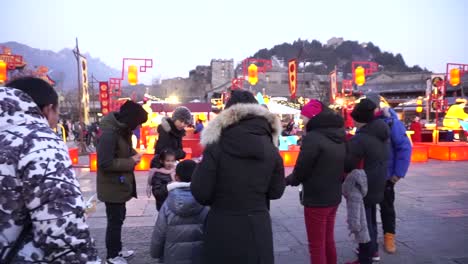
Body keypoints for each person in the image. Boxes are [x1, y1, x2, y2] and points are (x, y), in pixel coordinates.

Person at [0, 77, 99, 263]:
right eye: (57, 113)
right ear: (48, 109)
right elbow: (61, 229)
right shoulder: (38, 140)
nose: (55, 121)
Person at [191, 90, 286, 264]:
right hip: (258, 226)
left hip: (222, 225)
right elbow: (276, 192)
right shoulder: (272, 148)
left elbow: (201, 193)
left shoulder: (215, 146)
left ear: (227, 115)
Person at [285, 99, 346, 264]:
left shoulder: (313, 138)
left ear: (312, 117)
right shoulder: (339, 135)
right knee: (328, 239)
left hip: (317, 198)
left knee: (316, 245)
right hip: (334, 195)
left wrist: (289, 180)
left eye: (304, 116)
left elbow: (302, 168)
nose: (302, 120)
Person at [96, 100, 148, 264]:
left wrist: (134, 153)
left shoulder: (120, 130)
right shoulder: (110, 133)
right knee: (114, 221)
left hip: (118, 185)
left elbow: (122, 150)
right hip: (111, 186)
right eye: (138, 123)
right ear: (130, 120)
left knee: (118, 219)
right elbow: (105, 163)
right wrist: (131, 160)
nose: (138, 127)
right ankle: (112, 256)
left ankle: (117, 250)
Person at [365, 92, 412, 254]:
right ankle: (370, 240)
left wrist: (398, 173)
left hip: (386, 176)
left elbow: (404, 147)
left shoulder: (392, 123)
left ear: (378, 106)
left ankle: (389, 236)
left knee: (387, 208)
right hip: (369, 175)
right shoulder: (364, 122)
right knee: (368, 209)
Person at [344, 98, 390, 264]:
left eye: (355, 118)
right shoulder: (382, 132)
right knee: (370, 219)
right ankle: (372, 252)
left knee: (364, 223)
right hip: (378, 182)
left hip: (363, 184)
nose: (353, 121)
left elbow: (348, 164)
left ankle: (365, 259)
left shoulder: (361, 138)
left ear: (360, 119)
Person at [150, 160, 209, 264]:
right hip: (200, 255)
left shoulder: (168, 203)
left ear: (176, 177)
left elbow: (160, 231)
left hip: (172, 256)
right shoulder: (206, 201)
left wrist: (155, 253)